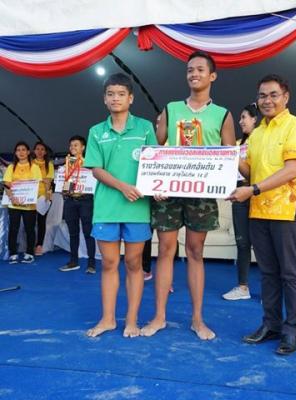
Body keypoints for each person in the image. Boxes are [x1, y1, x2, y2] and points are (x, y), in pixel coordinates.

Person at [141, 51, 236, 340]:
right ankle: (159, 317)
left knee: (195, 252)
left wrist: (228, 182)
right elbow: (154, 148)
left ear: (212, 76)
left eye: (200, 69)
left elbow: (229, 155)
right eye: (190, 70)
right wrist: (153, 182)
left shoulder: (223, 114)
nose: (194, 74)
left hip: (201, 194)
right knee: (165, 251)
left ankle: (197, 319)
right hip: (169, 192)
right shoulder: (170, 109)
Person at [228, 74, 296, 355]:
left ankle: (292, 331)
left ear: (286, 97)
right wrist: (228, 156)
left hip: (288, 210)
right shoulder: (257, 134)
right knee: (267, 273)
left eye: (273, 95)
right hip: (259, 210)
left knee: (290, 273)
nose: (267, 100)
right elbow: (251, 171)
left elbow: (291, 170)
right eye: (262, 96)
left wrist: (252, 190)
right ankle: (271, 325)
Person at [84, 73, 157, 338]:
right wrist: (122, 187)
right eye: (111, 94)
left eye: (121, 94)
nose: (116, 98)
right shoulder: (96, 131)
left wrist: (157, 188)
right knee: (109, 263)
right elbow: (96, 169)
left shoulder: (145, 128)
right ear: (105, 99)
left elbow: (156, 164)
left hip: (137, 209)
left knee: (135, 264)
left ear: (131, 98)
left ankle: (132, 321)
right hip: (106, 208)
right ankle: (108, 320)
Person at [222, 104, 258, 301]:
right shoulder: (236, 143)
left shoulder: (261, 140)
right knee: (242, 243)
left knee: (263, 244)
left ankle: (272, 289)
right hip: (238, 196)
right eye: (240, 117)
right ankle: (243, 287)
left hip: (258, 195)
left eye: (244, 117)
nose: (240, 121)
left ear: (255, 119)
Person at [59, 135, 96, 274]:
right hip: (70, 201)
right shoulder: (67, 165)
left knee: (88, 233)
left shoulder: (90, 164)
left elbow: (94, 182)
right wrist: (63, 188)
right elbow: (65, 184)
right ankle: (73, 261)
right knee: (72, 233)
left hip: (86, 200)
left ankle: (91, 264)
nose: (72, 147)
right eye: (71, 145)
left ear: (83, 147)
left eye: (76, 145)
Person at [3, 141, 42, 264]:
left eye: (23, 150)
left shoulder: (34, 167)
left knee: (29, 229)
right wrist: (12, 197)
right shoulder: (11, 167)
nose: (21, 152)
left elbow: (36, 185)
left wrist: (28, 198)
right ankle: (13, 253)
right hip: (14, 203)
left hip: (29, 205)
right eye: (18, 150)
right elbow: (7, 185)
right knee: (13, 229)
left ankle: (29, 253)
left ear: (28, 152)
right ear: (15, 153)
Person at [32, 141, 54, 256]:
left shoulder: (49, 164)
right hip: (31, 197)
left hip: (44, 197)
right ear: (34, 151)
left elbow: (49, 181)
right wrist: (42, 179)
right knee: (30, 222)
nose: (40, 151)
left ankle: (39, 245)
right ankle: (30, 245)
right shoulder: (30, 163)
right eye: (37, 149)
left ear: (45, 152)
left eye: (42, 149)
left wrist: (46, 196)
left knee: (41, 222)